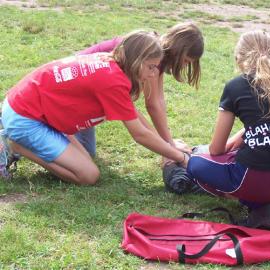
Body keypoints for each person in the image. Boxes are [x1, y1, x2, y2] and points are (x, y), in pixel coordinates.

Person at [1, 30, 190, 185]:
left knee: (87, 155)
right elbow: (139, 133)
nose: (153, 74)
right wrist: (179, 157)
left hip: (37, 113)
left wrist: (169, 148)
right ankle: (16, 145)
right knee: (88, 175)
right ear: (136, 61)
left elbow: (134, 116)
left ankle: (19, 141)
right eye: (151, 67)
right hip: (25, 117)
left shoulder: (113, 65)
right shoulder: (113, 81)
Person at [186, 31, 270, 231]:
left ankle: (260, 204)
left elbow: (216, 149)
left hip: (254, 178)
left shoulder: (235, 87)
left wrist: (215, 151)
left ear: (238, 58)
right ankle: (268, 209)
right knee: (245, 158)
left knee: (195, 162)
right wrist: (242, 135)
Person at [74, 22, 204, 157]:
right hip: (75, 91)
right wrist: (169, 145)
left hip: (87, 92)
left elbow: (158, 100)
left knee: (85, 153)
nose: (185, 66)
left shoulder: (156, 51)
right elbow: (152, 105)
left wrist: (168, 142)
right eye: (187, 61)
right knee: (83, 154)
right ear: (179, 50)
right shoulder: (150, 55)